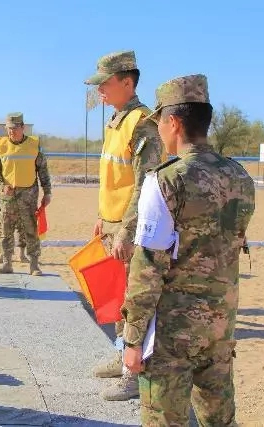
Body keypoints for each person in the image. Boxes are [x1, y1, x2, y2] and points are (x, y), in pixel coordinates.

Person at [122, 74, 255, 426]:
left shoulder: (165, 180)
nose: (160, 133)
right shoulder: (240, 176)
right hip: (220, 327)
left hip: (172, 332)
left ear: (174, 122)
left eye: (160, 123)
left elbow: (148, 267)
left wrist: (132, 339)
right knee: (219, 420)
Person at [84, 50, 166, 400]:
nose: (99, 89)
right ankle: (121, 357)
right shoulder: (117, 120)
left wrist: (126, 230)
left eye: (105, 82)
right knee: (117, 296)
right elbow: (114, 178)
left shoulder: (142, 122)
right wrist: (104, 218)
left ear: (127, 82)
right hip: (113, 223)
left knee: (136, 300)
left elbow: (146, 182)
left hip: (131, 228)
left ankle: (134, 375)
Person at [0, 112, 51, 276]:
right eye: (9, 128)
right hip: (7, 197)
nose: (12, 131)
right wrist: (2, 185)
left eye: (15, 128)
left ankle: (34, 265)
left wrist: (47, 193)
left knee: (30, 230)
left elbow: (43, 171)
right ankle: (7, 263)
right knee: (6, 231)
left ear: (23, 127)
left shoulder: (34, 145)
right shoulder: (0, 145)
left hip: (28, 197)